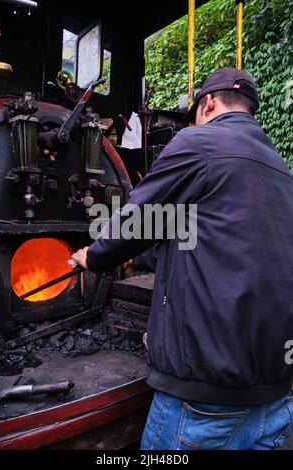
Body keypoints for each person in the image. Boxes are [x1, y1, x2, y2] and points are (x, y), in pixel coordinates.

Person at [72, 67, 293, 450]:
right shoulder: (281, 169)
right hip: (276, 394)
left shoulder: (199, 142)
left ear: (208, 103)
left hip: (204, 399)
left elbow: (138, 222)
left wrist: (93, 256)